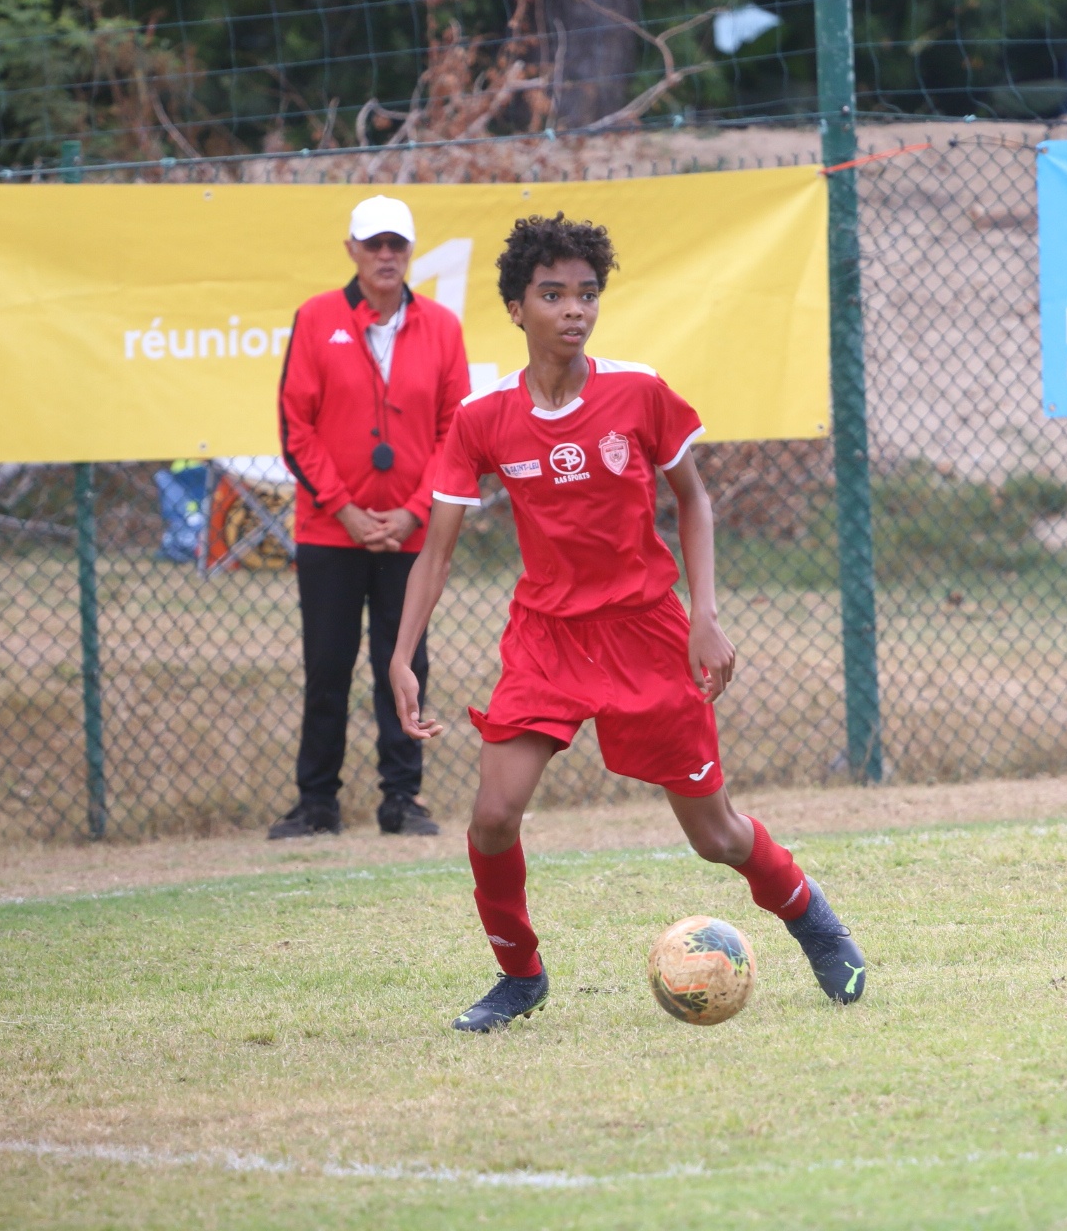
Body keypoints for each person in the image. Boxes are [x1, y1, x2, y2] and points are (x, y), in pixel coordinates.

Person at [389, 214, 869, 1032]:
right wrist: (402, 657)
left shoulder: (637, 391)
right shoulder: (482, 417)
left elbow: (694, 500)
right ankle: (519, 975)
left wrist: (703, 617)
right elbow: (434, 551)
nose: (574, 310)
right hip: (546, 636)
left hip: (646, 631)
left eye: (587, 293)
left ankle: (813, 921)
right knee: (493, 816)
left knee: (715, 836)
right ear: (516, 309)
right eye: (553, 295)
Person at [273, 196, 472, 839]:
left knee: (405, 662)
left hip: (409, 535)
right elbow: (294, 428)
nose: (386, 256)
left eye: (397, 245)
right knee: (327, 666)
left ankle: (402, 800)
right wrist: (346, 510)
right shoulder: (316, 319)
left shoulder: (441, 326)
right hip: (331, 530)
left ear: (410, 252)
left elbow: (456, 431)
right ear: (351, 250)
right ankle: (316, 803)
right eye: (374, 244)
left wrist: (416, 512)